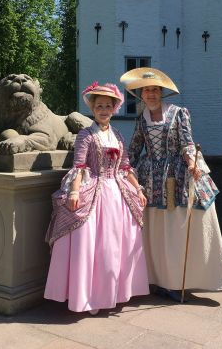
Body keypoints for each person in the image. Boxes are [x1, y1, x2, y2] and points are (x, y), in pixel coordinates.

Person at [120, 67, 222, 302]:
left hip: (176, 178)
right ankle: (157, 279)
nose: (150, 94)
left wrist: (192, 163)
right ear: (141, 95)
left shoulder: (179, 113)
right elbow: (134, 149)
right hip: (150, 179)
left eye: (154, 90)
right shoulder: (141, 119)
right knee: (155, 231)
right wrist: (120, 167)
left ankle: (176, 281)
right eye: (146, 90)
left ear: (161, 92)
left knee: (175, 231)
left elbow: (187, 143)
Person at [44, 82, 150, 315]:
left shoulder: (119, 135)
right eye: (99, 106)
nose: (103, 110)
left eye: (107, 106)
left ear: (114, 109)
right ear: (92, 108)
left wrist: (139, 189)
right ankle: (90, 297)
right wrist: (73, 191)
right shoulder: (86, 135)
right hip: (96, 191)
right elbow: (79, 166)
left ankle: (113, 293)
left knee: (115, 246)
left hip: (117, 194)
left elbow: (125, 166)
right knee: (91, 242)